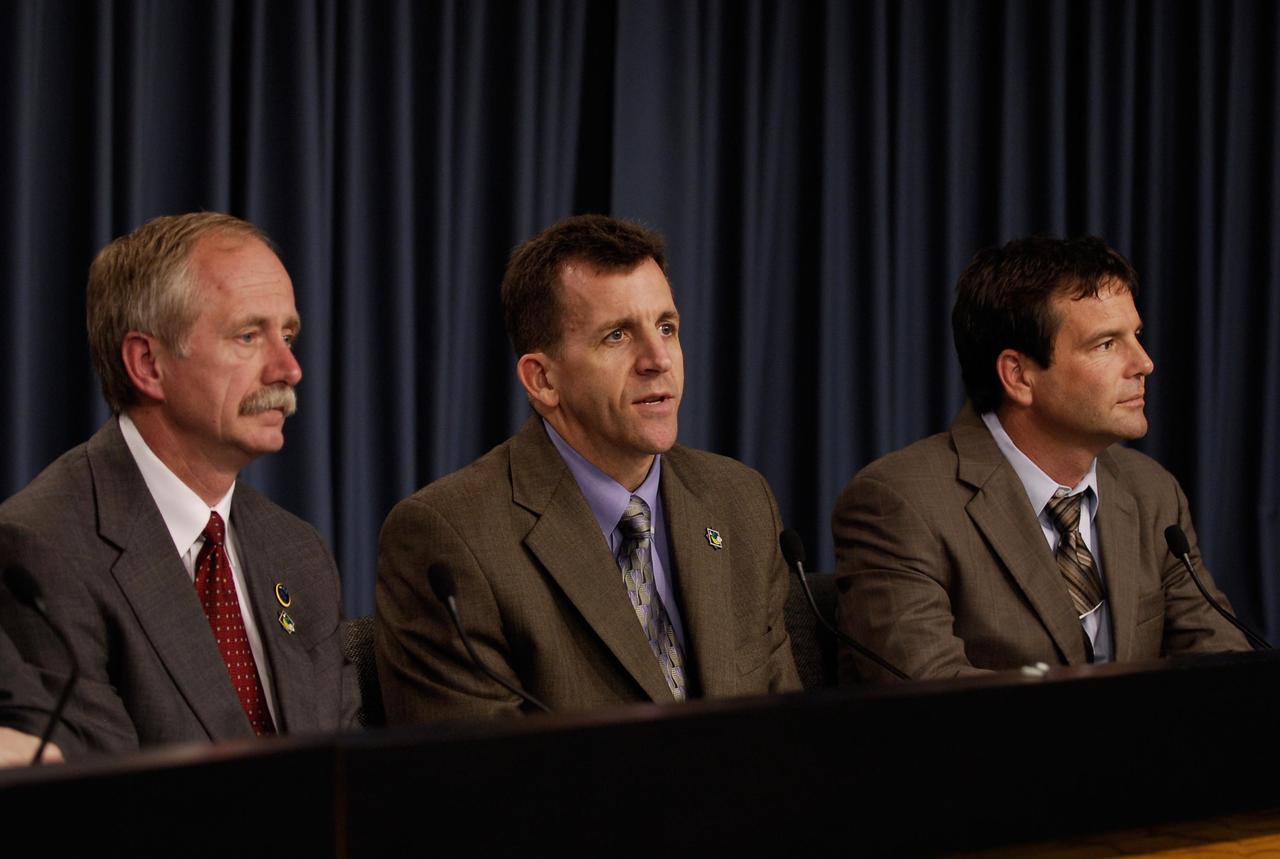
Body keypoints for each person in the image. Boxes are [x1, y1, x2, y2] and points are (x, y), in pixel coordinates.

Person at [377, 214, 800, 720]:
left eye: (666, 327)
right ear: (542, 381)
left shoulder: (739, 501)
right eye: (618, 335)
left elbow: (787, 732)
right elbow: (478, 784)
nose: (657, 359)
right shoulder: (450, 538)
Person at [0, 213, 359, 758]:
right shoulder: (42, 551)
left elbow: (348, 769)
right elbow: (101, 791)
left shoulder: (298, 550)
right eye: (248, 336)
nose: (288, 368)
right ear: (148, 364)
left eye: (287, 335)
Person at [833, 235, 1248, 681]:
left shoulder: (1151, 492)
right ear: (1019, 375)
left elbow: (1223, 665)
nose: (1144, 363)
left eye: (1136, 336)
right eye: (1106, 344)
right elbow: (934, 697)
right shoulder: (902, 503)